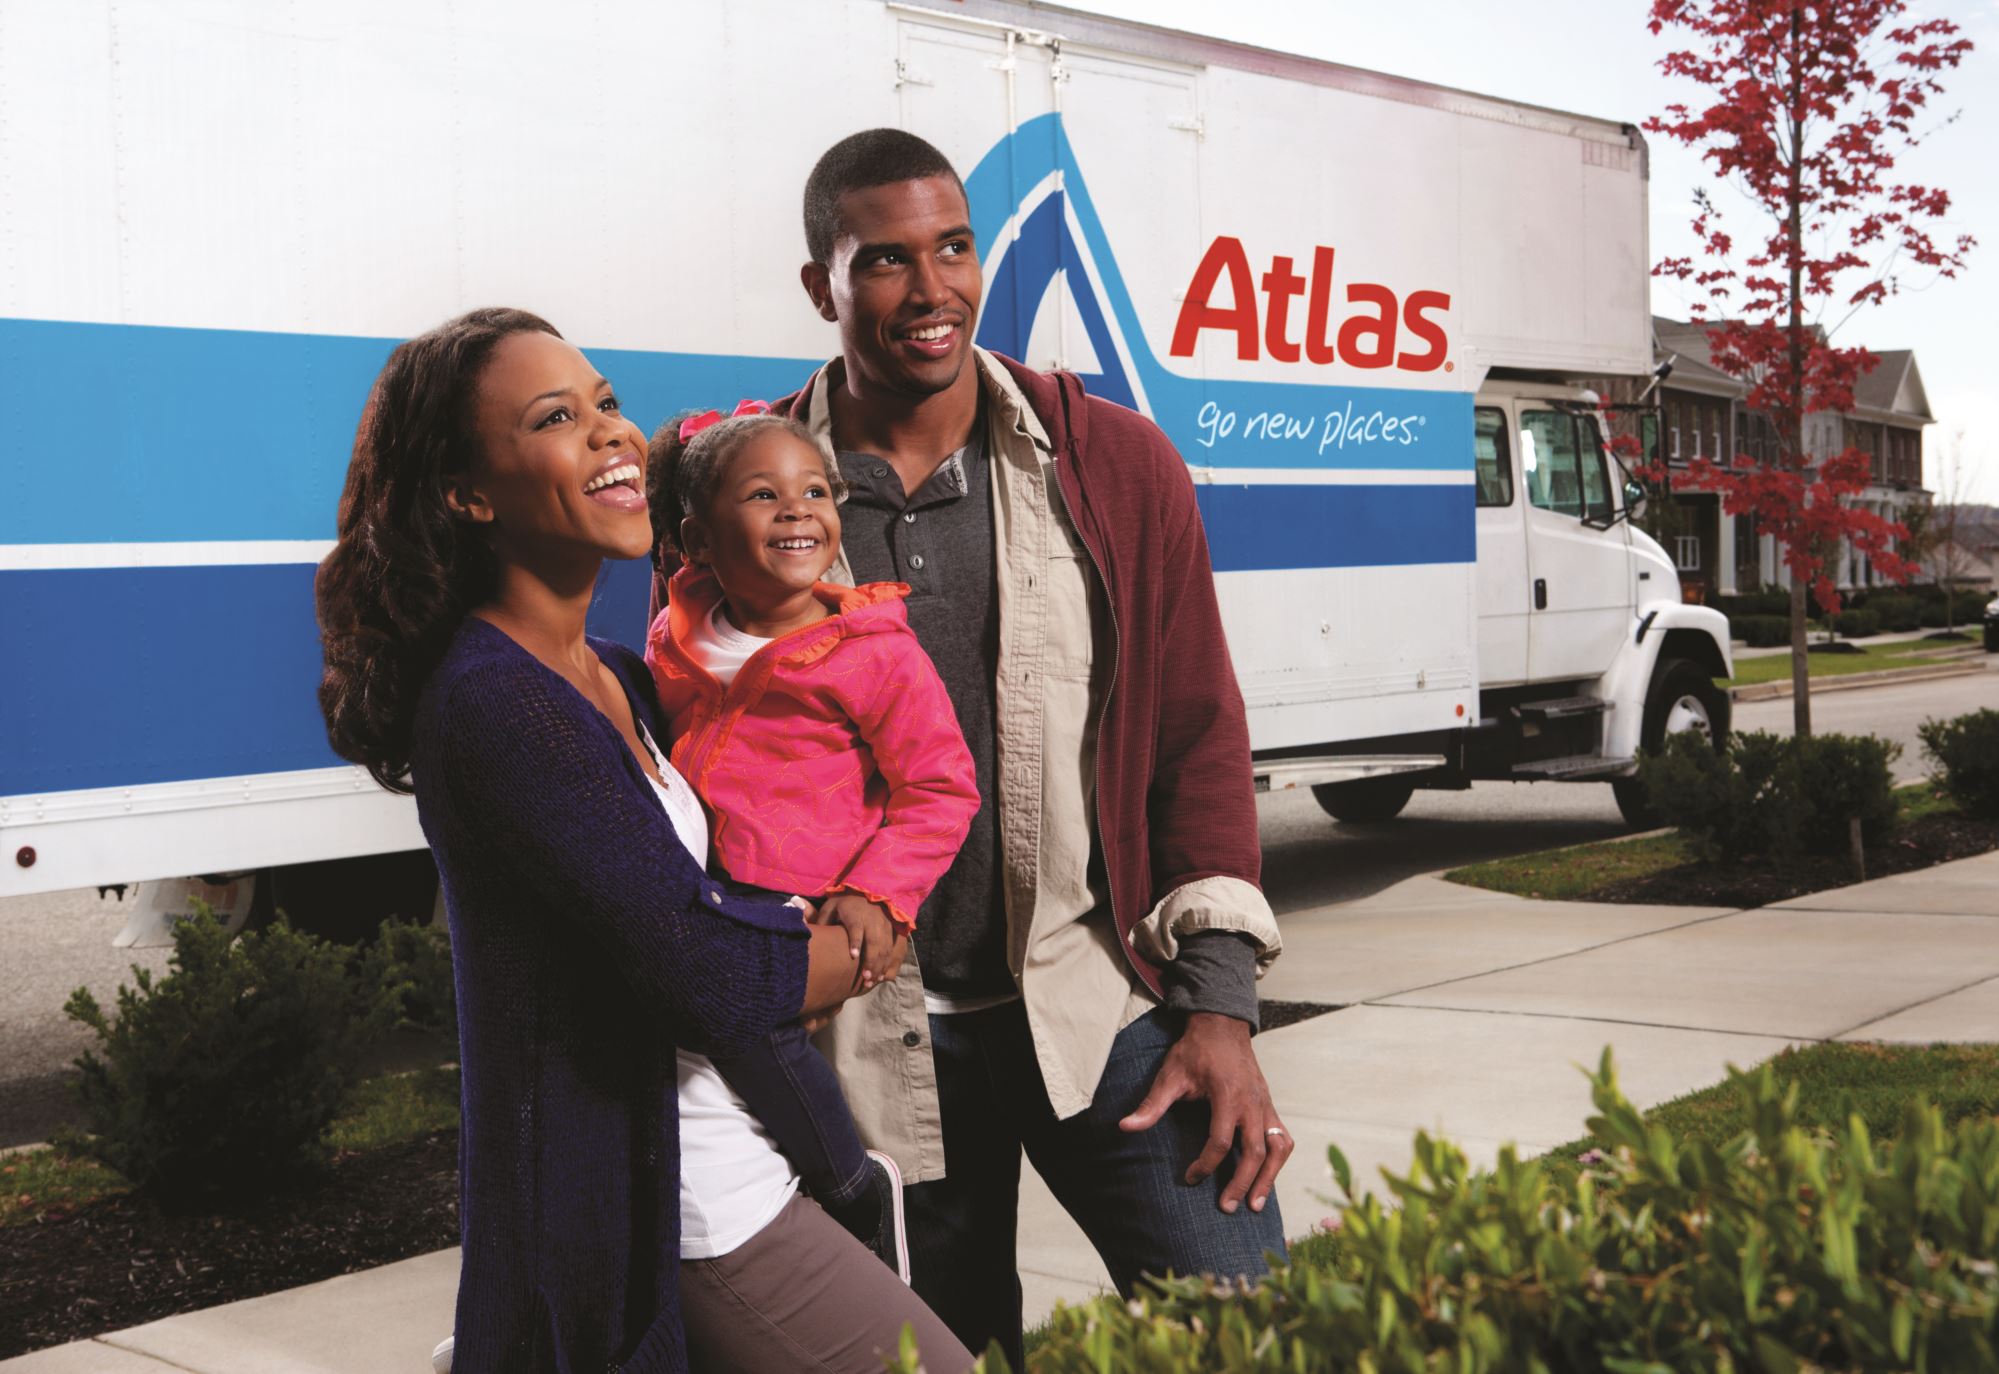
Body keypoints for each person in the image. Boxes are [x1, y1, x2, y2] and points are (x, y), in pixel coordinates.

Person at [648, 129, 1297, 1367]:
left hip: (1089, 999)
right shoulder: (748, 490)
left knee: (1252, 1327)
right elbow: (704, 756)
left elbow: (1196, 736)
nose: (932, 289)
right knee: (942, 1357)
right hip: (865, 1041)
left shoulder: (1113, 465)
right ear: (820, 288)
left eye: (953, 249)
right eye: (884, 261)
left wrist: (1220, 1010)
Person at [316, 308, 971, 1374]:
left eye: (607, 404)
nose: (611, 434)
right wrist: (867, 935)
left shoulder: (620, 672)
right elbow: (702, 964)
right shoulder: (499, 703)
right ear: (470, 492)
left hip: (738, 1146)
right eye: (556, 417)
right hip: (674, 1202)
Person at [642, 401, 980, 1278]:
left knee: (772, 1057)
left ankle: (851, 1190)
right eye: (763, 495)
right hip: (703, 907)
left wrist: (878, 890)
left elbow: (940, 788)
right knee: (716, 1105)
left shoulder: (871, 650)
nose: (798, 510)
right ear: (698, 540)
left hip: (803, 913)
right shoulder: (675, 640)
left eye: (815, 490)